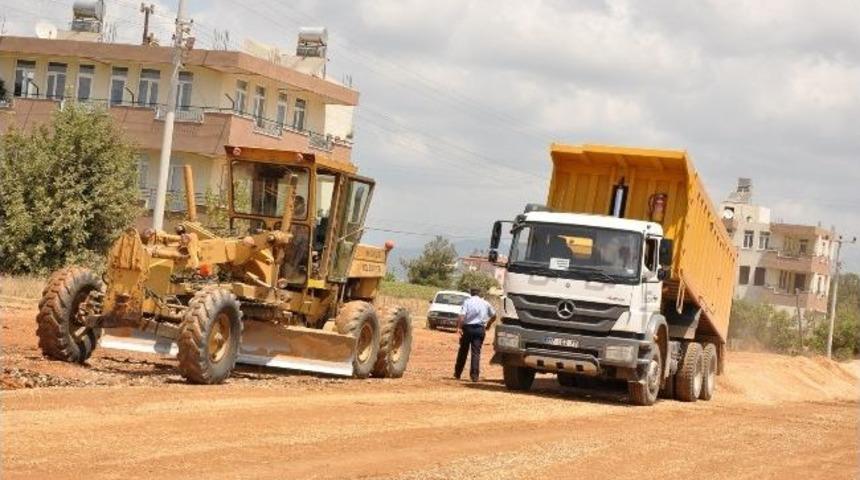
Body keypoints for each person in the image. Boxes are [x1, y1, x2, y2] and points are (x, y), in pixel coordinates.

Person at [454, 288, 497, 382]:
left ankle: (458, 373)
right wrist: (489, 324)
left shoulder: (467, 302)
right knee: (476, 353)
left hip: (468, 329)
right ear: (479, 294)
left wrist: (459, 327)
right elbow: (494, 315)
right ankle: (474, 376)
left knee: (463, 351)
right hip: (480, 329)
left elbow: (462, 316)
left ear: (471, 293)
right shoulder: (485, 303)